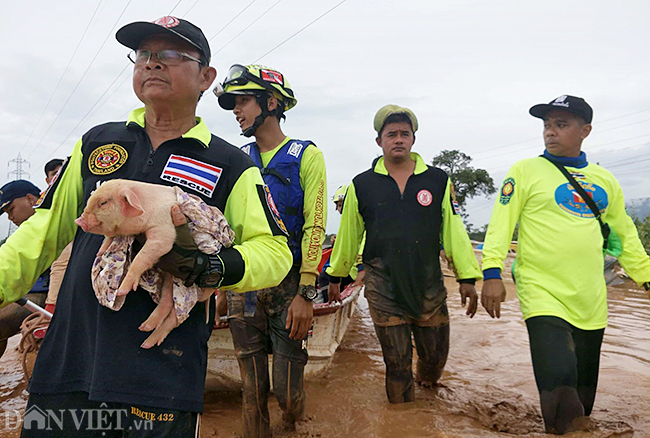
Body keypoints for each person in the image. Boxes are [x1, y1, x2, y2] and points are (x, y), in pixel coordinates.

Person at [0, 17, 292, 437]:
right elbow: (45, 228)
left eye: (171, 55)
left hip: (162, 374)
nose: (153, 63)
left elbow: (275, 250)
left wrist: (213, 268)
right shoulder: (97, 143)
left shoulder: (232, 165)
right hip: (70, 362)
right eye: (144, 55)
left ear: (206, 77)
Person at [480, 95, 650, 434]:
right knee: (558, 379)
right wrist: (491, 272)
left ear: (585, 130)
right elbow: (501, 223)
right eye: (547, 125)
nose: (550, 132)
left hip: (590, 298)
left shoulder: (605, 180)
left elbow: (624, 237)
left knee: (583, 399)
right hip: (541, 291)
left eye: (561, 124)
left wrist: (646, 278)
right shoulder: (525, 171)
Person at [326, 104, 481, 403]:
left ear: (413, 139)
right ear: (379, 141)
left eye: (404, 134)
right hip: (384, 284)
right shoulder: (362, 185)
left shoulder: (437, 181)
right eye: (391, 134)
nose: (398, 139)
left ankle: (427, 402)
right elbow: (349, 236)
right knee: (396, 364)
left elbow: (453, 231)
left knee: (434, 361)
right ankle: (402, 419)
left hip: (428, 285)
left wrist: (467, 277)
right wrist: (336, 275)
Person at [215, 64, 327, 437]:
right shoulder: (235, 158)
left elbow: (315, 223)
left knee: (286, 389)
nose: (236, 110)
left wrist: (306, 292)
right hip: (244, 287)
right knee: (252, 390)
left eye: (243, 100)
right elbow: (222, 227)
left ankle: (294, 422)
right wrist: (220, 286)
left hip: (290, 284)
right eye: (232, 102)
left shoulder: (306, 155)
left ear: (272, 102)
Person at [0, 180, 49, 358]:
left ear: (30, 199)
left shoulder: (52, 222)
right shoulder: (24, 233)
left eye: (11, 209)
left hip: (46, 294)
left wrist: (52, 307)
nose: (10, 218)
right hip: (28, 293)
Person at [316, 184, 365, 302]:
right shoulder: (348, 223)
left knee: (324, 277)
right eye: (338, 205)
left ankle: (329, 303)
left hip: (352, 268)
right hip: (348, 266)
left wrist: (361, 269)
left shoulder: (357, 221)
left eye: (341, 204)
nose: (340, 209)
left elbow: (361, 243)